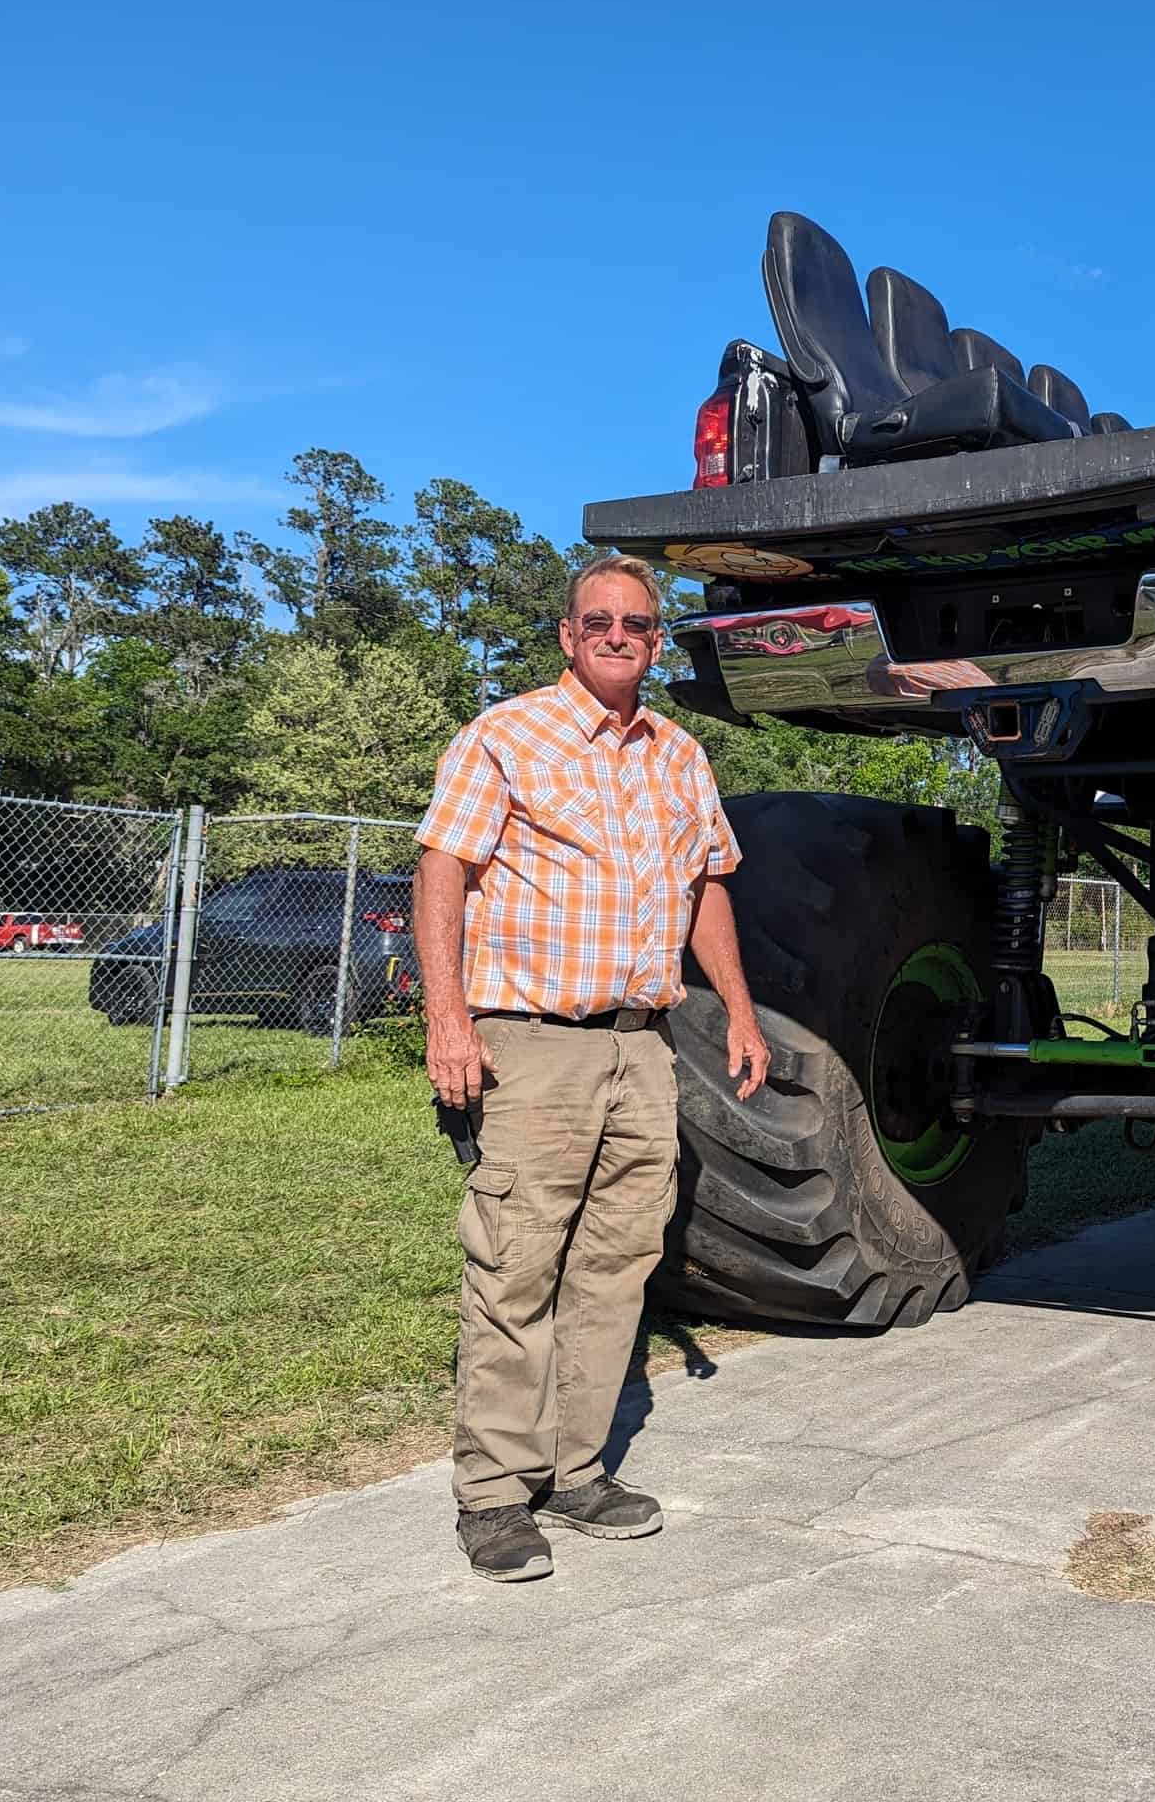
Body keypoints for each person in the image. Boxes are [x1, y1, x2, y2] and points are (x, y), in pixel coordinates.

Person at [412, 551, 770, 1584]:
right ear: (568, 636)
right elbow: (443, 869)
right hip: (529, 1039)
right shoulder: (504, 736)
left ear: (658, 641)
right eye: (600, 622)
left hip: (640, 1043)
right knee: (515, 1263)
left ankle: (576, 1470)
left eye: (640, 625)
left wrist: (739, 1012)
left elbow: (708, 889)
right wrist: (448, 1019)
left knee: (617, 1265)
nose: (621, 637)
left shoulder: (679, 754)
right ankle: (492, 1493)